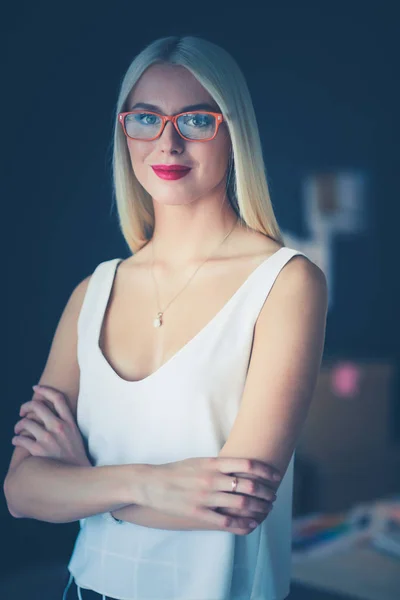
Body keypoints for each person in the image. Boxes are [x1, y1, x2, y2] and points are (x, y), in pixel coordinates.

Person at [4, 35, 328, 600]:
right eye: (146, 119)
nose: (168, 143)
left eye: (196, 121)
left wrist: (82, 483)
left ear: (234, 131)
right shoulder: (92, 293)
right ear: (124, 131)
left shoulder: (286, 282)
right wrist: (147, 484)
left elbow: (236, 503)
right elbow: (21, 492)